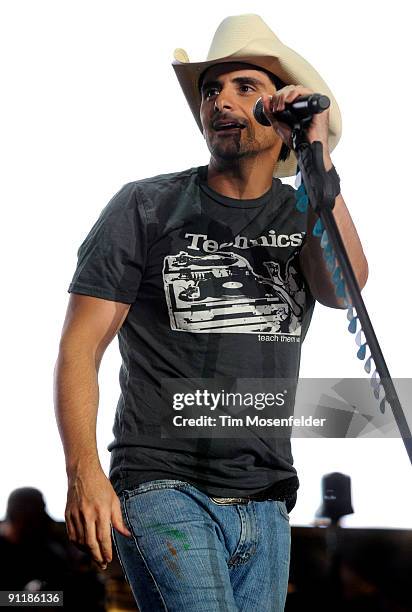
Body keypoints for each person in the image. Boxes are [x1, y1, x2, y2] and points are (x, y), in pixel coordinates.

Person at [53, 13, 368, 611]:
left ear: (280, 110)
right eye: (211, 90)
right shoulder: (146, 205)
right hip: (162, 482)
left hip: (266, 494)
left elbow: (343, 289)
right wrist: (84, 473)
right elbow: (80, 347)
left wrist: (315, 154)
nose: (221, 100)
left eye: (245, 88)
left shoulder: (303, 211)